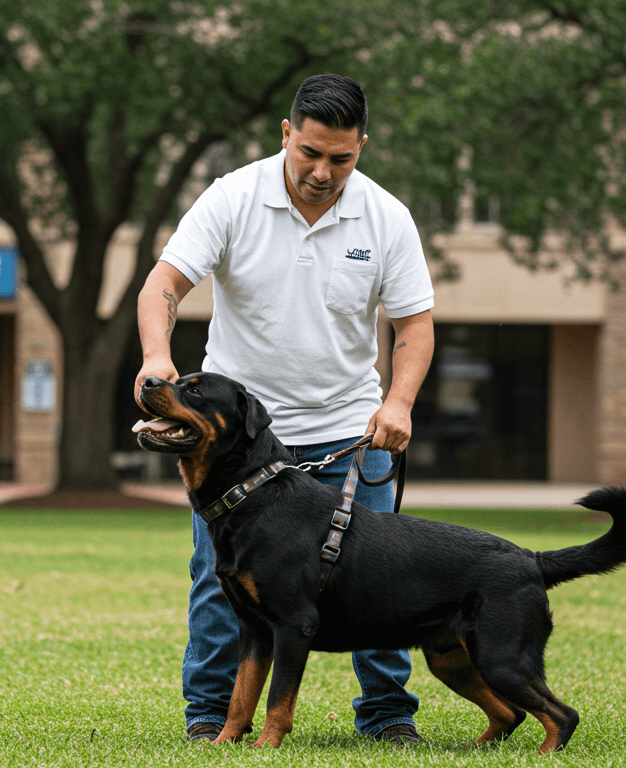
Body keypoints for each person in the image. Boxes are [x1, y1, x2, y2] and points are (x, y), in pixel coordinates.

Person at [133, 73, 435, 745]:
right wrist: (158, 356)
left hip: (347, 437)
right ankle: (211, 715)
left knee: (379, 580)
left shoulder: (386, 217)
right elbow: (164, 285)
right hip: (239, 446)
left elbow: (414, 324)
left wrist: (400, 402)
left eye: (342, 158)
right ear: (286, 135)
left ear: (362, 145)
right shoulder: (232, 197)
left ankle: (387, 717)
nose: (323, 171)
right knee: (222, 585)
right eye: (310, 153)